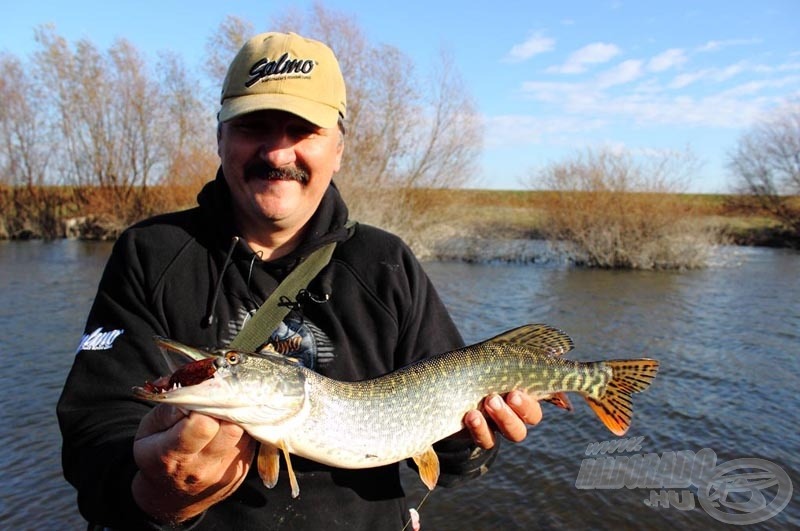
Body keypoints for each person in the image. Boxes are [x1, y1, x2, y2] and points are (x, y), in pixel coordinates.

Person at [57, 31, 542, 530]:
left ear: (338, 147)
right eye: (254, 126)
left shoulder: (386, 262)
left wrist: (465, 441)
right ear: (220, 136)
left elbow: (462, 460)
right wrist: (159, 496)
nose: (278, 153)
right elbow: (94, 432)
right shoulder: (151, 253)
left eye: (302, 130)